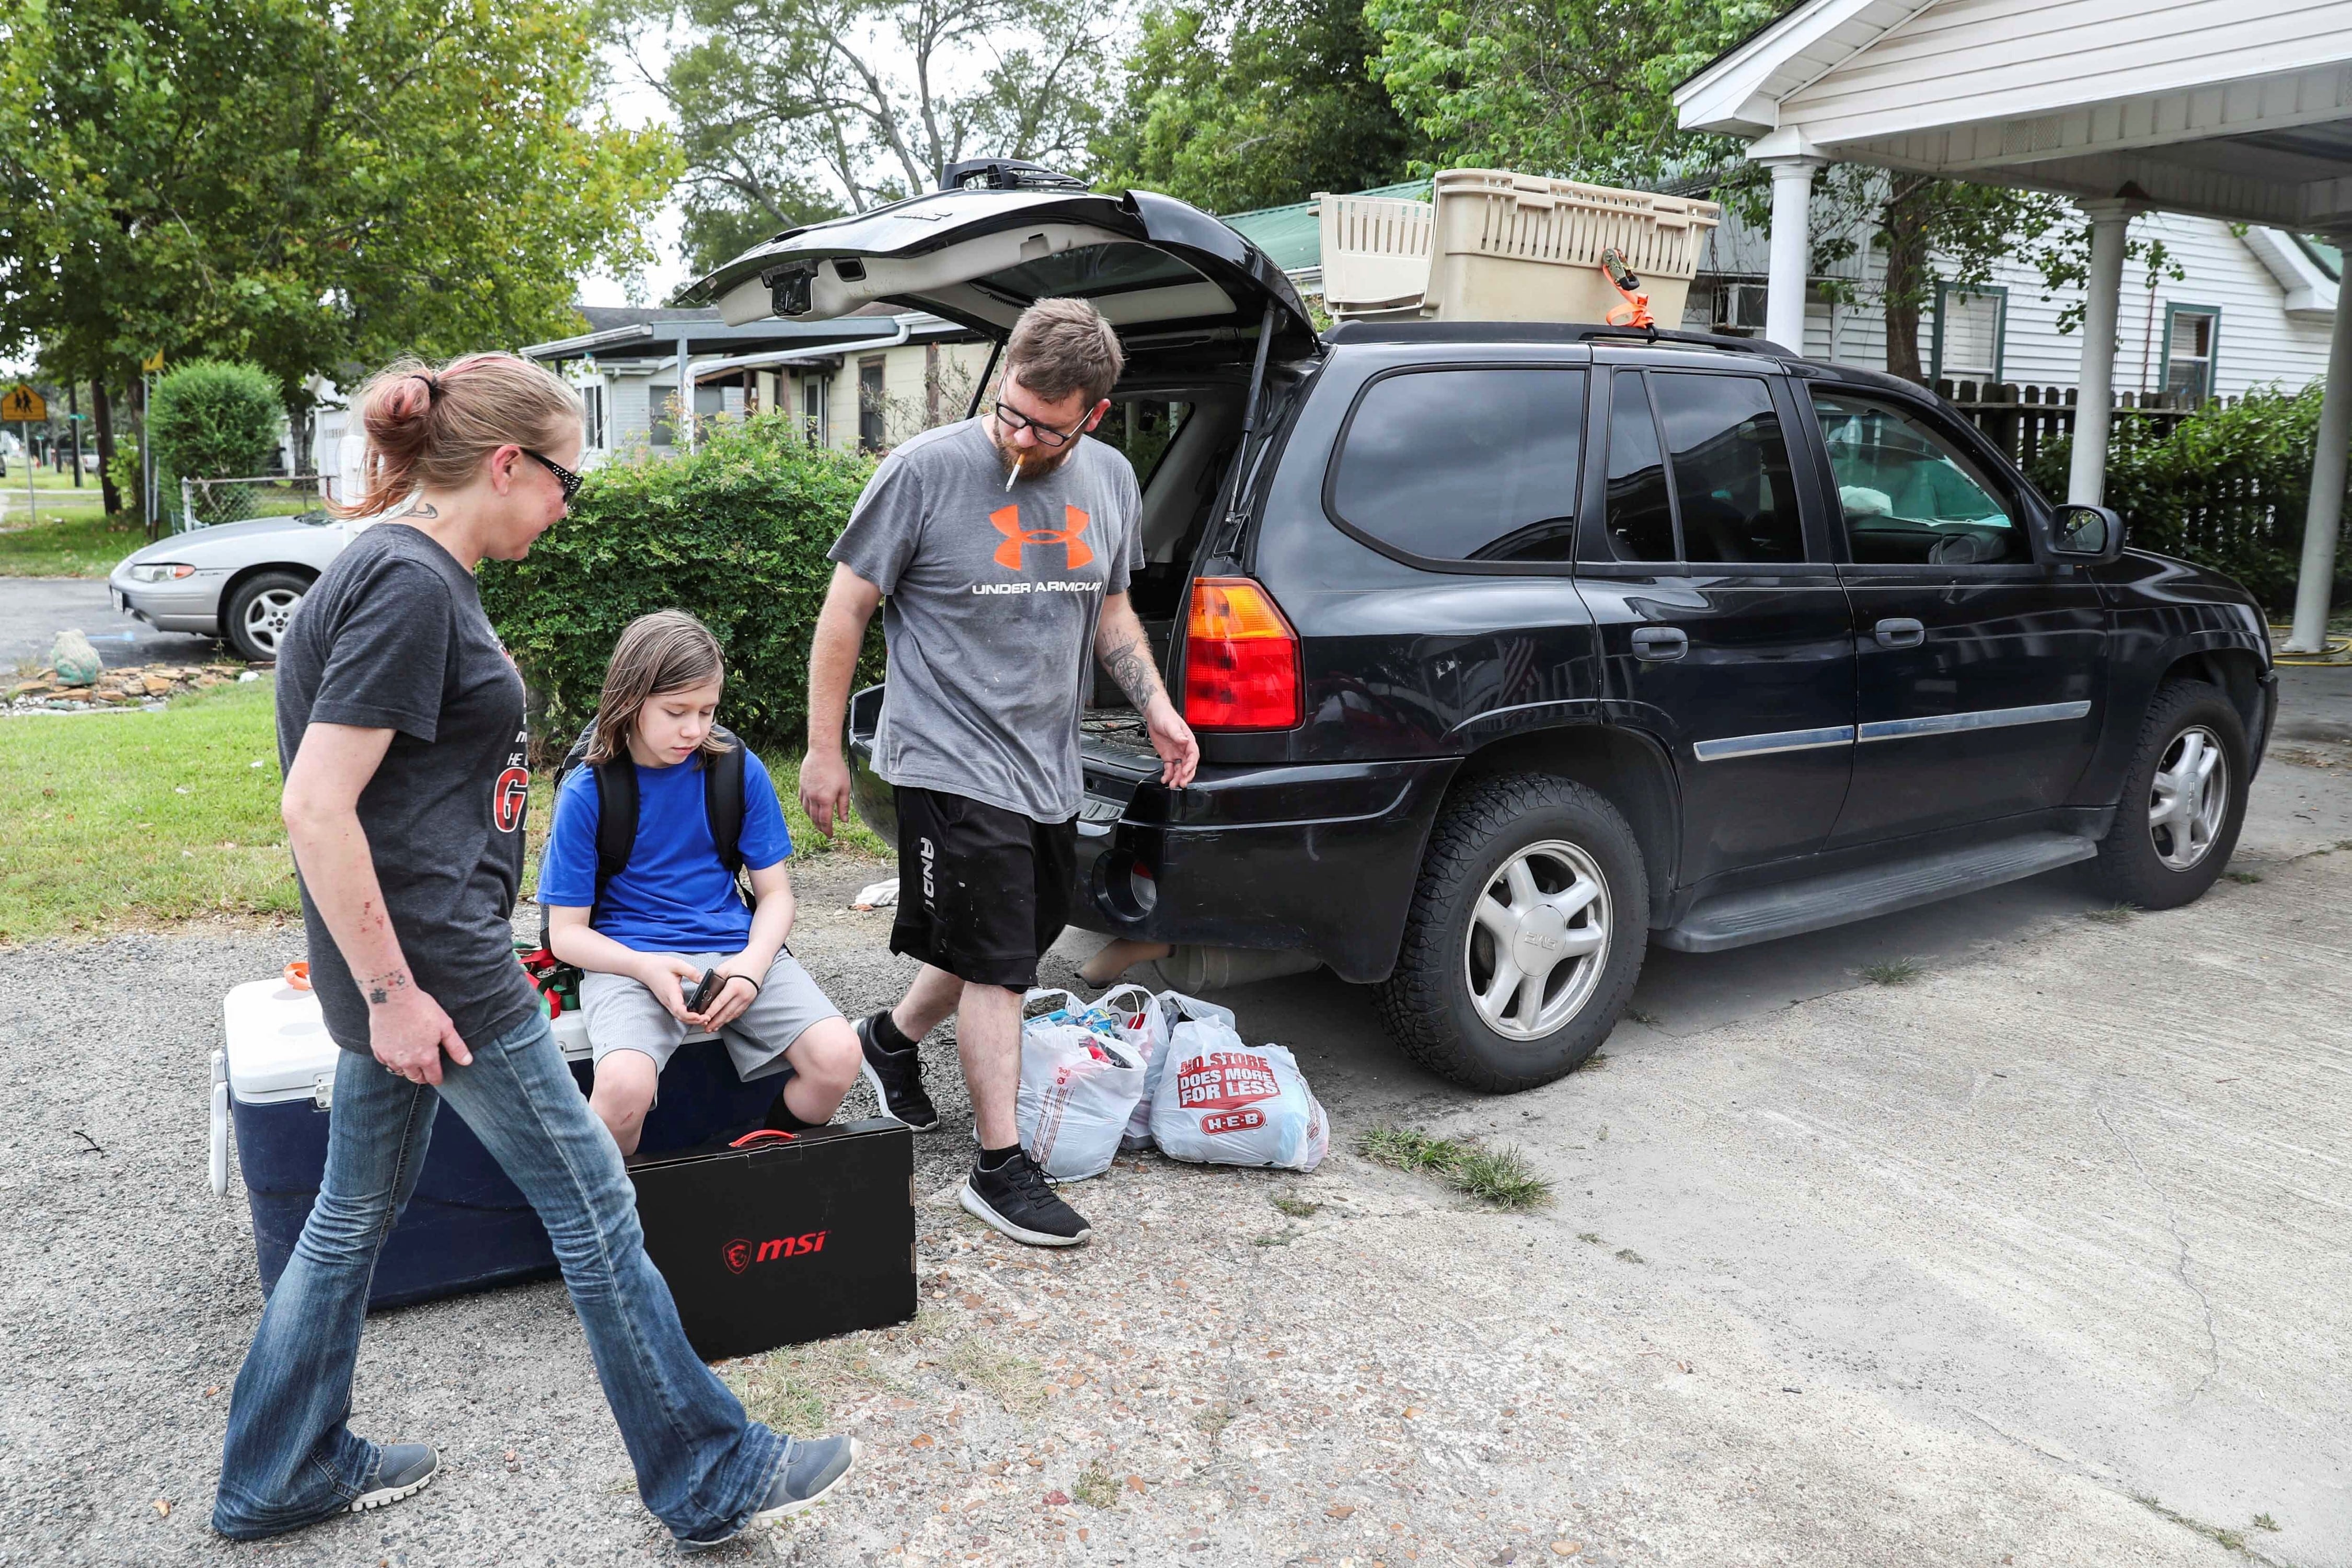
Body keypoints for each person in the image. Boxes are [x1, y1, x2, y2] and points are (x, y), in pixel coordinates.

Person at [211, 353, 855, 1549]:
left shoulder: (396, 571)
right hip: (442, 982)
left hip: (415, 974)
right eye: (564, 475)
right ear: (505, 464)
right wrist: (397, 992)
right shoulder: (409, 583)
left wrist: (387, 986)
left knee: (352, 1214)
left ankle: (278, 1464)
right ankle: (704, 1468)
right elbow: (317, 804)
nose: (569, 500)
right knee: (598, 1212)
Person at [798, 297, 1200, 1249]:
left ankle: (887, 1044)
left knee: (1007, 933)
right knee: (1000, 968)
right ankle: (999, 1166)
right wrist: (821, 749)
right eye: (1011, 412)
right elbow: (845, 612)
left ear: (1093, 415)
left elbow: (1109, 609)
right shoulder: (926, 471)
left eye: (1046, 427)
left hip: (1044, 758)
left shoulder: (1109, 479)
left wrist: (1155, 704)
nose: (1020, 437)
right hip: (945, 754)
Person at [538, 609, 861, 1156]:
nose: (694, 729)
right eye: (676, 712)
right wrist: (642, 966)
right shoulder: (588, 790)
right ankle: (612, 1222)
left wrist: (754, 967)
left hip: (735, 953)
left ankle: (753, 1162)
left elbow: (776, 895)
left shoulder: (736, 769)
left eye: (707, 711)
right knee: (621, 1090)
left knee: (838, 1057)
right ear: (629, 701)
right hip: (629, 961)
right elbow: (566, 935)